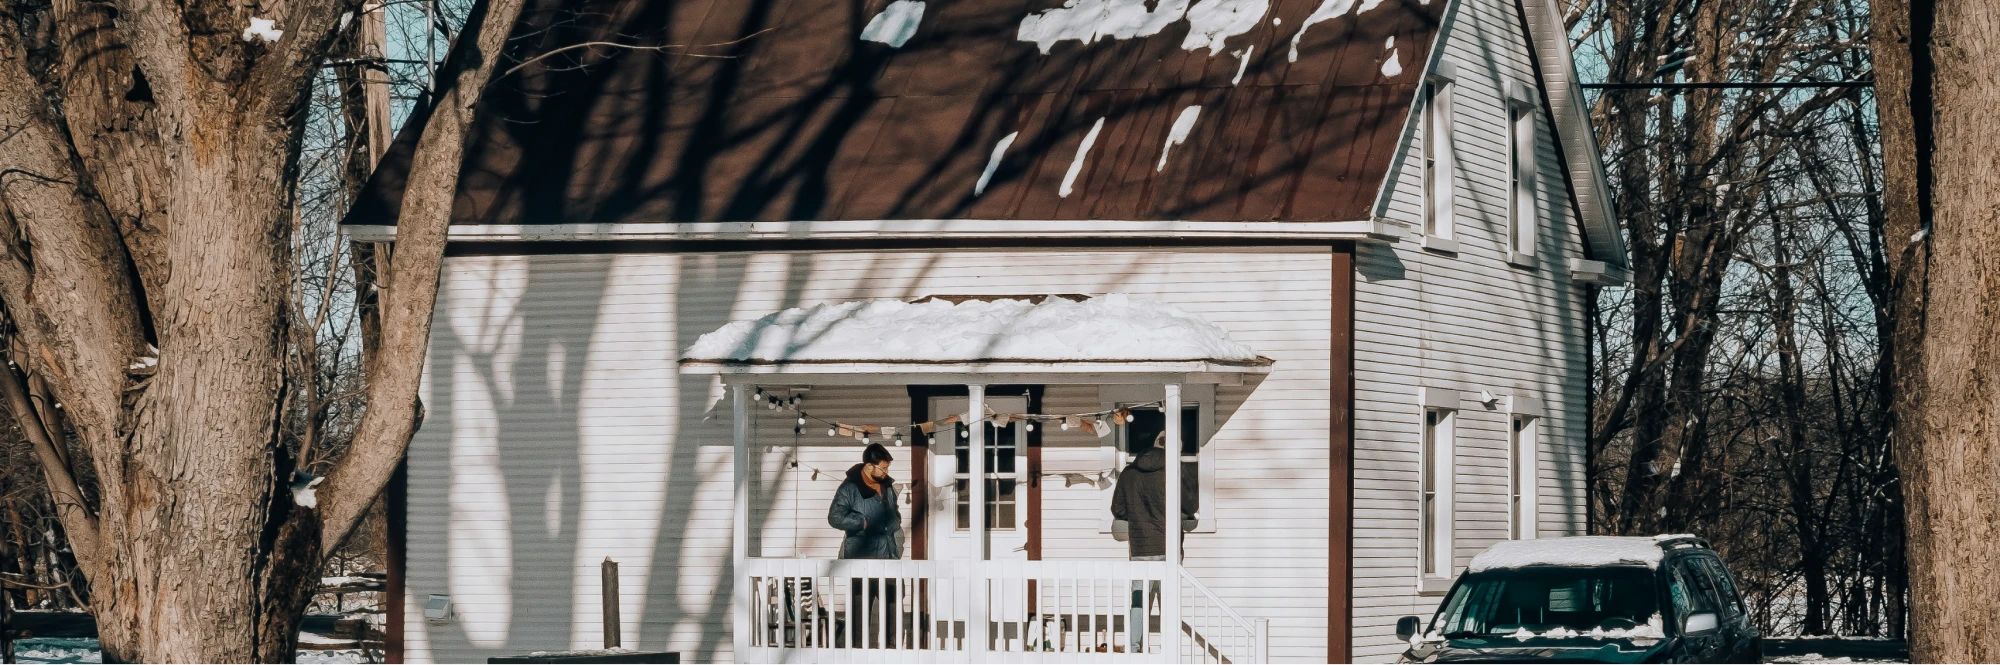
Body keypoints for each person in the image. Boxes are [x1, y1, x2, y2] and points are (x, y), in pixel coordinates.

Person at [1110, 432, 1198, 651]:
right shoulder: (1173, 471)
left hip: (1141, 547)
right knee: (1169, 600)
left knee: (1139, 601)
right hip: (1168, 546)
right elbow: (1190, 506)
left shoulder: (1129, 473)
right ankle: (1170, 649)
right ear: (1172, 447)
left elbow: (1118, 509)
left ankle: (1134, 647)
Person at [829, 443, 903, 646]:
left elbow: (894, 512)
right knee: (859, 615)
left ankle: (892, 652)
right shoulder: (850, 487)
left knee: (893, 610)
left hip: (889, 557)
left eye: (887, 468)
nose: (886, 472)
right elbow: (834, 517)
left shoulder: (887, 485)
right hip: (861, 559)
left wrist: (895, 521)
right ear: (869, 466)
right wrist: (862, 522)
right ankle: (857, 654)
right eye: (883, 468)